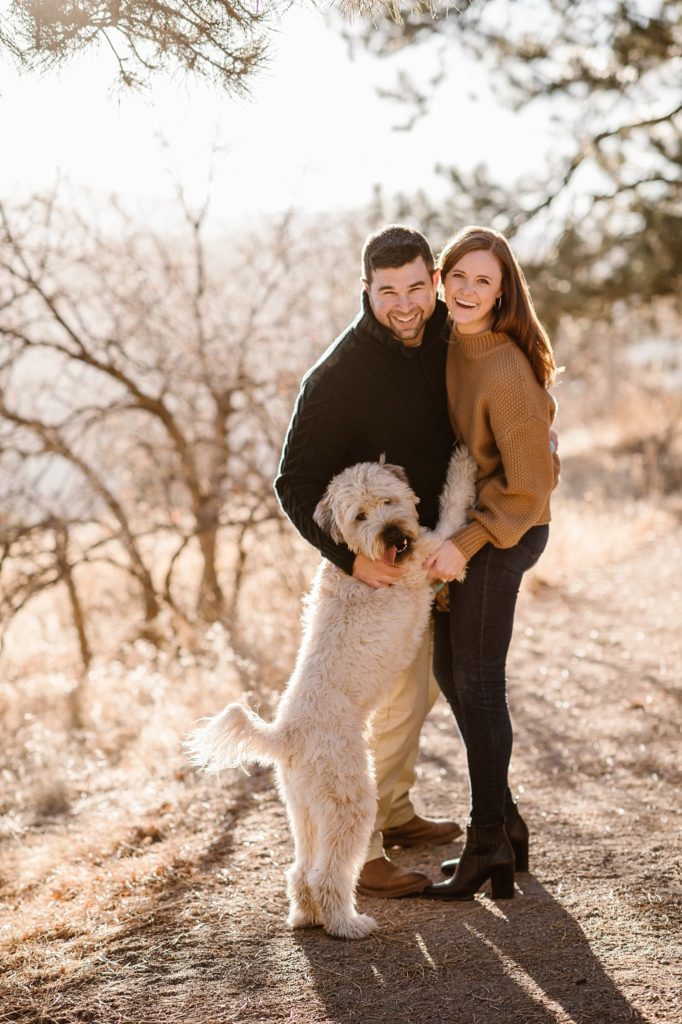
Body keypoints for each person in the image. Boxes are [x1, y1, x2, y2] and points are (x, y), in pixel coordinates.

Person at [274, 225, 462, 898]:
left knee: (422, 689)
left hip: (434, 542)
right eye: (389, 293)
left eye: (417, 287)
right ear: (366, 290)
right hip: (370, 565)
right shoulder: (338, 376)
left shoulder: (448, 332)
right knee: (382, 699)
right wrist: (350, 563)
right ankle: (367, 849)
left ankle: (398, 810)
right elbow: (291, 483)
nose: (405, 304)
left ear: (434, 282)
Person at [422, 225, 560, 901]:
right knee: (452, 670)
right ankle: (503, 823)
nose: (469, 291)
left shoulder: (505, 369)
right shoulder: (444, 346)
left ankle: (486, 845)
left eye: (485, 280)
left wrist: (467, 543)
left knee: (476, 677)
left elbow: (532, 483)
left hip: (509, 529)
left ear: (503, 290)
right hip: (470, 524)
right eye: (459, 277)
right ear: (442, 281)